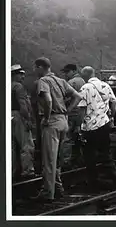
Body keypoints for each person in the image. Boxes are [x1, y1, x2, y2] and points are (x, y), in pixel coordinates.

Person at [32, 57, 82, 202]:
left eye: (35, 67)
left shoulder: (43, 81)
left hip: (52, 121)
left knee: (48, 160)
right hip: (63, 121)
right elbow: (77, 97)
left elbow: (47, 100)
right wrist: (66, 111)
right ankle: (58, 188)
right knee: (57, 158)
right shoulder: (60, 81)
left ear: (41, 67)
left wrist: (46, 118)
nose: (34, 70)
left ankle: (48, 193)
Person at [78, 66, 116, 190]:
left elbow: (82, 109)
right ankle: (114, 177)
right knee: (105, 152)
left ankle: (94, 181)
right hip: (104, 124)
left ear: (85, 76)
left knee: (89, 155)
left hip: (90, 127)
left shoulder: (85, 88)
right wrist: (111, 116)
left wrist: (80, 126)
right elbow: (115, 102)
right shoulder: (105, 85)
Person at [11, 64, 35, 179]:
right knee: (26, 144)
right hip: (19, 115)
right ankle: (27, 171)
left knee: (12, 146)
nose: (23, 77)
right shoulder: (18, 87)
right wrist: (27, 119)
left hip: (9, 115)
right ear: (14, 75)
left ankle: (13, 171)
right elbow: (23, 106)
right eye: (20, 74)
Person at [61, 64, 86, 168]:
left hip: (71, 113)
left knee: (67, 138)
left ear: (73, 71)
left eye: (67, 72)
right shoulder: (83, 82)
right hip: (82, 113)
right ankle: (78, 159)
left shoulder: (70, 83)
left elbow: (64, 98)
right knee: (78, 137)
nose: (65, 74)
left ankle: (66, 161)